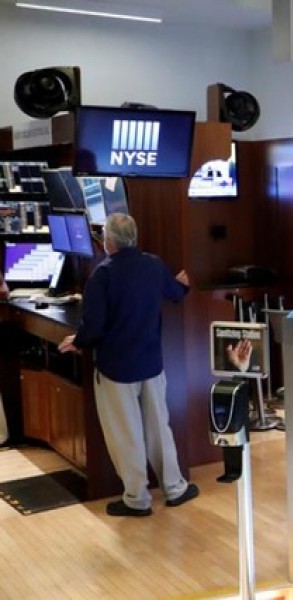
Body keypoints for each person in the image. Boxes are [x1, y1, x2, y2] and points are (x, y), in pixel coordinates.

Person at [58, 213, 198, 517]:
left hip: (116, 367)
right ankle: (175, 488)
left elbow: (93, 326)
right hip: (151, 363)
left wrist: (77, 342)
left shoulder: (102, 275)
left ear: (108, 241)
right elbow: (175, 293)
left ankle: (137, 498)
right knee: (160, 427)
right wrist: (182, 286)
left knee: (126, 433)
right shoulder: (154, 265)